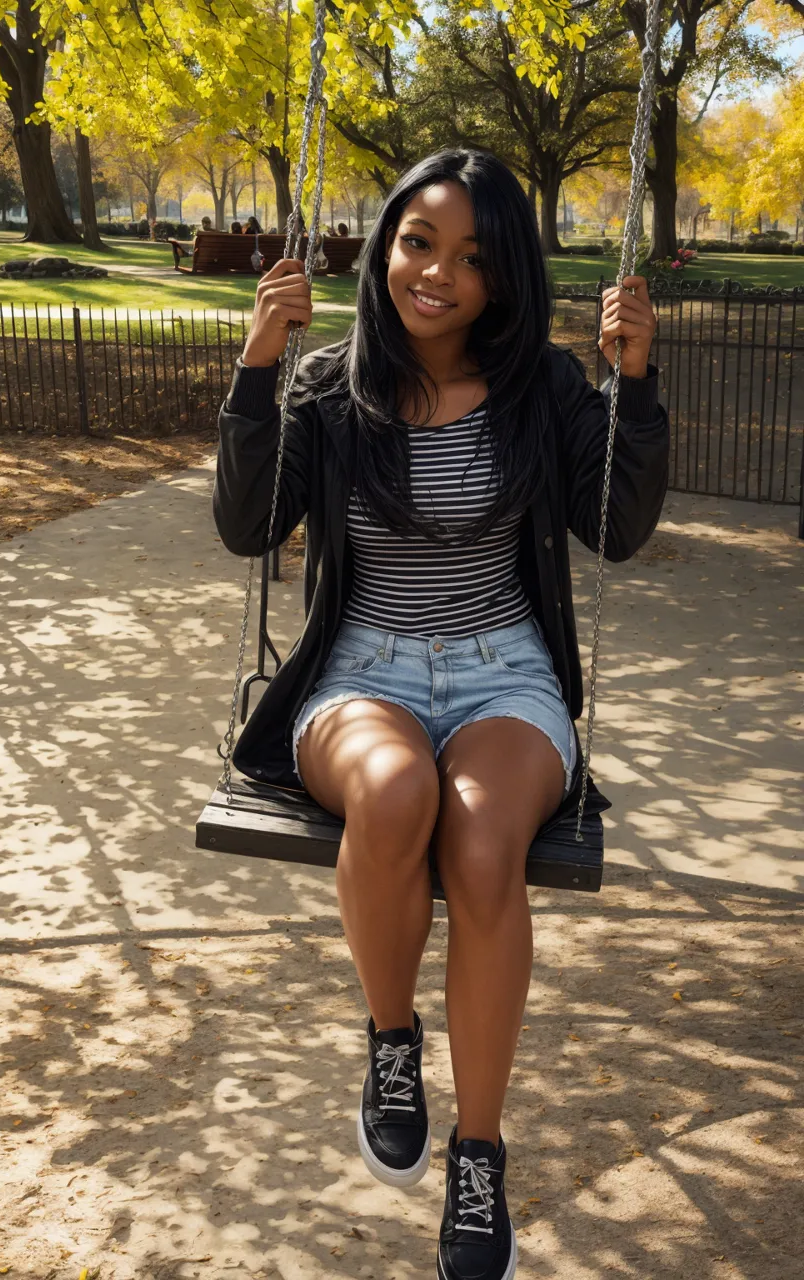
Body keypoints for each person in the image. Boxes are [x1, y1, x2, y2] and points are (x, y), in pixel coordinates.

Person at [213, 148, 667, 1280]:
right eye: (418, 242)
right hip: (359, 671)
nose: (436, 273)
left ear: (502, 277)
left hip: (504, 668)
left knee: (479, 841)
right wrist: (258, 360)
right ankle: (392, 1041)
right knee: (399, 786)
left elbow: (613, 527)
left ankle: (478, 1153)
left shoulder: (544, 388)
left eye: (470, 256)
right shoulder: (327, 385)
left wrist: (634, 384)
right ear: (385, 247)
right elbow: (243, 526)